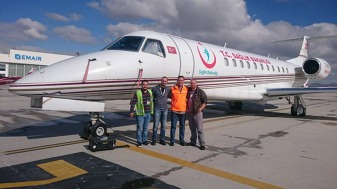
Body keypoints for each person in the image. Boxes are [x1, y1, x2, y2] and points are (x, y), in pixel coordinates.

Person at [130, 80, 154, 147]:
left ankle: (144, 140)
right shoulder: (138, 92)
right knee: (139, 128)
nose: (145, 86)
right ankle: (139, 141)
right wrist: (131, 111)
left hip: (148, 113)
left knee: (146, 128)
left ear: (148, 85)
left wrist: (152, 112)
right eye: (143, 84)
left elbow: (151, 102)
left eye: (146, 84)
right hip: (140, 114)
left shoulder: (150, 92)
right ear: (141, 85)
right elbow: (133, 102)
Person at [186, 79, 207, 150]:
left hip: (197, 113)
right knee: (192, 129)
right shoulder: (188, 91)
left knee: (200, 129)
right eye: (191, 83)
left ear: (196, 84)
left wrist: (200, 109)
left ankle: (202, 144)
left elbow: (205, 101)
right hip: (190, 112)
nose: (193, 85)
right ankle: (193, 141)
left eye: (194, 83)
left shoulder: (200, 91)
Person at [168, 75, 188, 146]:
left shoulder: (186, 89)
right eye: (179, 80)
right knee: (173, 126)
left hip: (183, 111)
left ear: (183, 81)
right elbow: (168, 96)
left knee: (182, 126)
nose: (180, 81)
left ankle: (181, 140)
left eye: (182, 80)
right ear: (177, 81)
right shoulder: (172, 88)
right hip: (174, 111)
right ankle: (172, 140)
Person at [151, 76, 170, 145]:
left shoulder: (168, 89)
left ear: (167, 82)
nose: (164, 82)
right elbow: (150, 97)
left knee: (163, 125)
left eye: (165, 81)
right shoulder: (155, 88)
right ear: (160, 81)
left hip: (165, 109)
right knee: (155, 125)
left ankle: (162, 139)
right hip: (157, 108)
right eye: (163, 81)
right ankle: (154, 139)